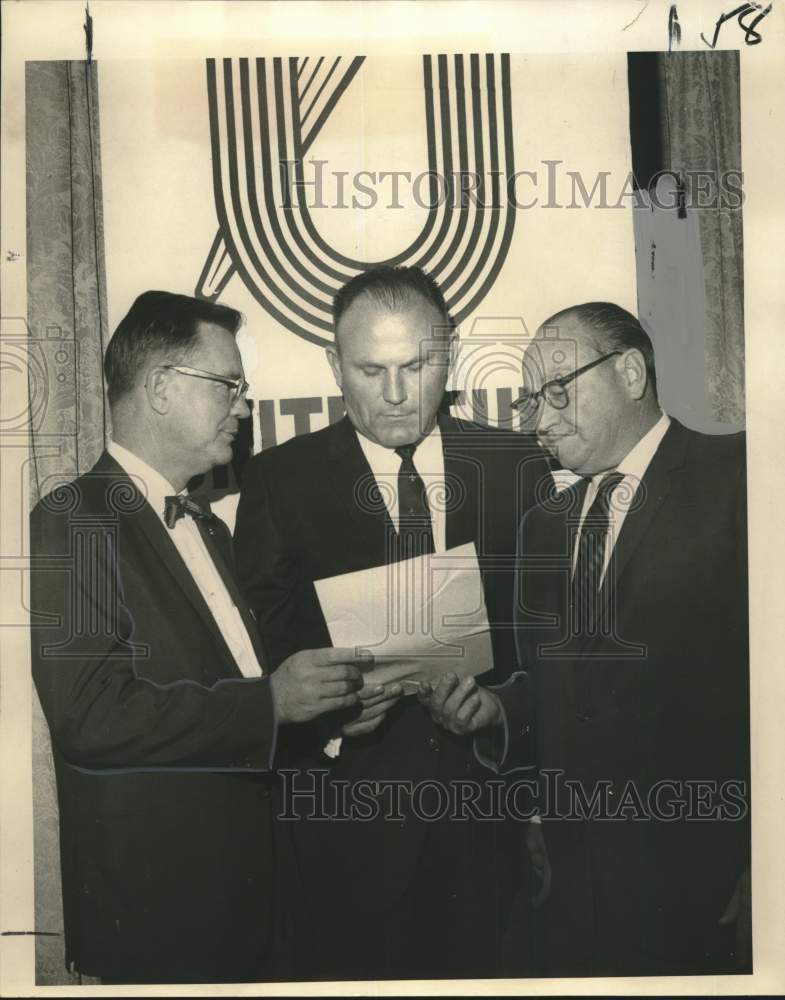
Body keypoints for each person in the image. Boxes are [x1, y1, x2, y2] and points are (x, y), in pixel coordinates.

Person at [29, 291, 369, 984]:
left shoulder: (210, 527)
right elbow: (90, 715)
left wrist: (327, 715)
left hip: (262, 906)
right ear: (158, 387)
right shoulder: (75, 520)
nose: (242, 406)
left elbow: (237, 700)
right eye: (228, 384)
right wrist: (272, 704)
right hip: (168, 920)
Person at [234, 266, 551, 980]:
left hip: (488, 835)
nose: (397, 394)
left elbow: (554, 647)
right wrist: (327, 721)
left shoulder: (515, 467)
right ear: (332, 365)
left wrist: (499, 711)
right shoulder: (278, 481)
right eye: (370, 370)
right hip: (347, 840)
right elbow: (259, 657)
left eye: (418, 366)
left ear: (452, 355)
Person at [511, 302, 750, 976]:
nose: (542, 416)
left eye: (559, 389)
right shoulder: (543, 527)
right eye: (531, 400)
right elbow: (551, 688)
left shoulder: (740, 480)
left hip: (705, 877)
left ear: (629, 371)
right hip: (571, 883)